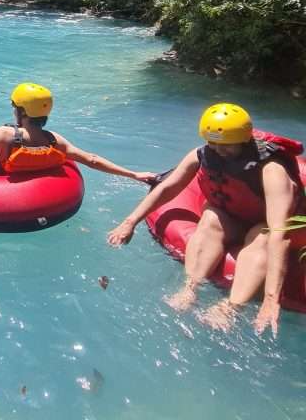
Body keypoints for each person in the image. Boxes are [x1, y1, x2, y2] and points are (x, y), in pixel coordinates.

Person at [107, 103, 304, 336]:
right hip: (232, 216)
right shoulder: (202, 155)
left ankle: (231, 307)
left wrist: (272, 299)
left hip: (266, 225)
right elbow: (167, 188)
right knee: (210, 217)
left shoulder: (272, 170)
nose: (218, 151)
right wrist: (130, 222)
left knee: (262, 237)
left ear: (242, 139)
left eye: (225, 146)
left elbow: (279, 232)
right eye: (213, 143)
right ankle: (190, 288)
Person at [0, 83, 157, 183]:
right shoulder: (55, 140)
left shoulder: (6, 134)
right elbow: (91, 159)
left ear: (21, 112)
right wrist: (135, 174)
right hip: (7, 151)